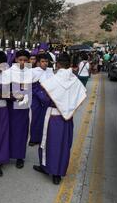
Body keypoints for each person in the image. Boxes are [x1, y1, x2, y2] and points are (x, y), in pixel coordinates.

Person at [33, 53, 87, 185]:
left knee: (48, 143)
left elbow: (45, 99)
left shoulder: (53, 80)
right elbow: (81, 95)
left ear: (57, 64)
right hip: (67, 119)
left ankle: (46, 167)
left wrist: (36, 90)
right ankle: (58, 173)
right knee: (63, 145)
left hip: (52, 116)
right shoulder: (75, 80)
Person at [8, 50, 33, 169]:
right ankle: (7, 154)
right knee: (9, 130)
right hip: (10, 105)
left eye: (25, 60)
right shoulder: (9, 71)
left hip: (23, 106)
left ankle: (19, 157)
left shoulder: (30, 72)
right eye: (20, 60)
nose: (22, 62)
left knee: (21, 132)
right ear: (16, 59)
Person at [29, 53, 53, 146]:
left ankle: (42, 137)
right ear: (38, 62)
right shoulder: (33, 71)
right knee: (34, 118)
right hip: (35, 98)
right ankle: (33, 138)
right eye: (43, 61)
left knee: (45, 118)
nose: (45, 63)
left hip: (47, 97)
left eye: (46, 61)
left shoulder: (50, 71)